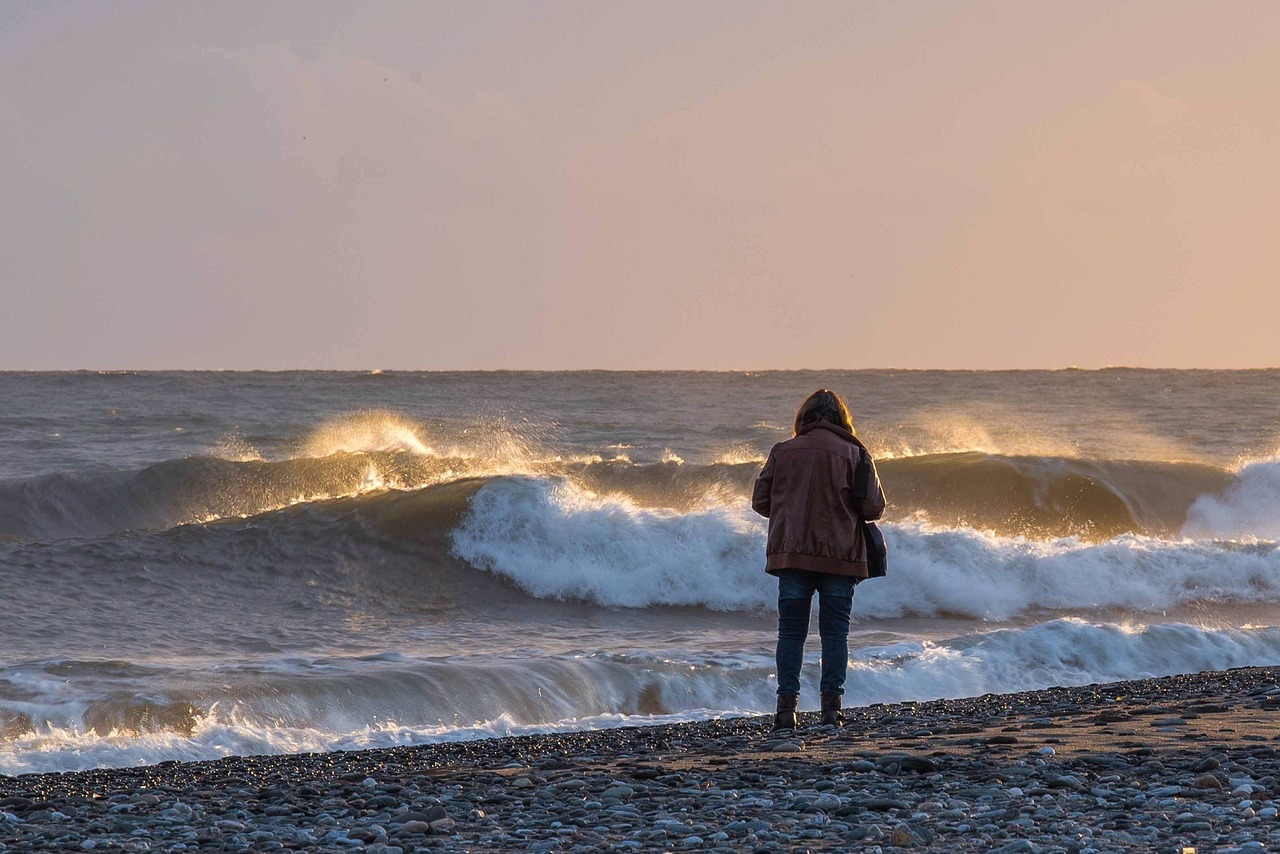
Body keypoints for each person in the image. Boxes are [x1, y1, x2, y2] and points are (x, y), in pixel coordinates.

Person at [751, 389, 886, 729]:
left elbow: (760, 501)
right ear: (843, 419)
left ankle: (786, 711)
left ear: (804, 417)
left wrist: (790, 511)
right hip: (840, 557)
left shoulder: (783, 451)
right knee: (835, 634)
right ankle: (831, 710)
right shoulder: (855, 453)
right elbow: (874, 508)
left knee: (791, 633)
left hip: (792, 553)